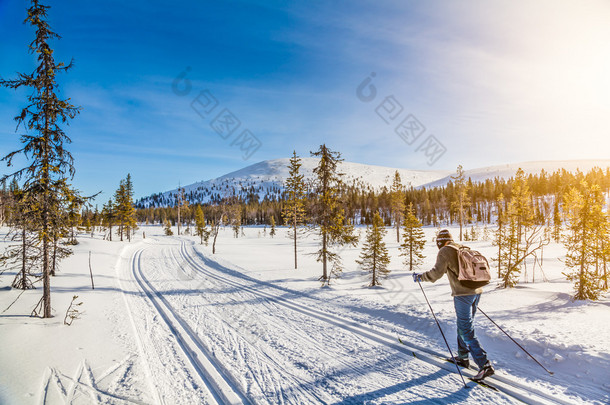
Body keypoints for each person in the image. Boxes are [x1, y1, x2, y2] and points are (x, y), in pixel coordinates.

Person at [413, 229, 494, 381]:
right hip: (476, 292)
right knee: (463, 325)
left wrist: (420, 277)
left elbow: (436, 274)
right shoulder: (461, 247)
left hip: (463, 294)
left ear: (439, 242)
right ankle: (463, 357)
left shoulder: (445, 251)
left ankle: (484, 365)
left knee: (465, 328)